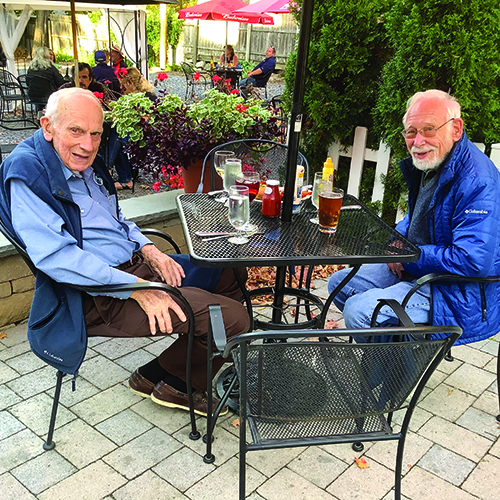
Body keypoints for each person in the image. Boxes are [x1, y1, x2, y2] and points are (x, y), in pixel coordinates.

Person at [0, 88, 250, 415]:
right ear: (47, 127)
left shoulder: (81, 162)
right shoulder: (28, 172)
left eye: (95, 134)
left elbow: (115, 218)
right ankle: (180, 386)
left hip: (134, 265)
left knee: (228, 271)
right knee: (234, 320)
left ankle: (158, 375)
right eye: (75, 131)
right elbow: (57, 259)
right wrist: (138, 289)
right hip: (97, 295)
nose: (88, 145)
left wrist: (149, 250)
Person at [328, 89, 500, 345]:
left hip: (458, 291)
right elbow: (418, 215)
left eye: (429, 129)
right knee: (339, 284)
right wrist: (396, 240)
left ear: (456, 128)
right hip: (423, 269)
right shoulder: (435, 160)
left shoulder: (478, 181)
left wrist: (409, 258)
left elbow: (472, 261)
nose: (418, 140)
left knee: (360, 311)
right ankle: (398, 359)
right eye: (411, 131)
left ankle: (391, 376)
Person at [26, 46, 65, 111]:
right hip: (49, 96)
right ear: (46, 55)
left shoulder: (31, 68)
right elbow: (60, 83)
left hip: (33, 96)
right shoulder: (50, 67)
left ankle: (39, 113)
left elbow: (27, 83)